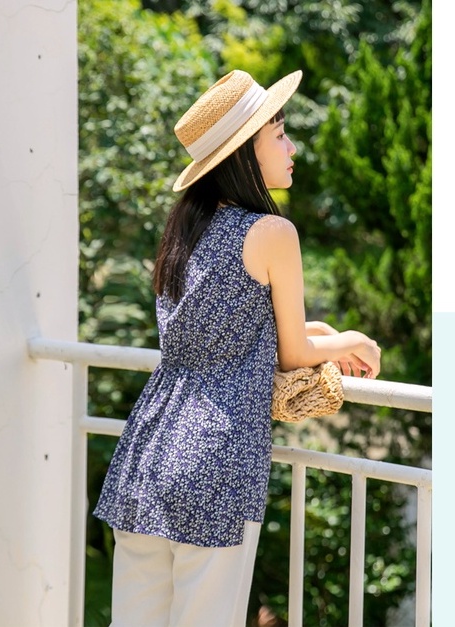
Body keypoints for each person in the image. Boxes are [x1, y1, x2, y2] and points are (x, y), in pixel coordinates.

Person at [93, 68, 381, 627]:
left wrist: (319, 333)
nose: (291, 148)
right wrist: (354, 340)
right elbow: (292, 354)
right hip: (216, 463)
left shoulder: (184, 229)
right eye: (280, 134)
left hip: (147, 453)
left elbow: (225, 330)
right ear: (244, 152)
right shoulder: (273, 232)